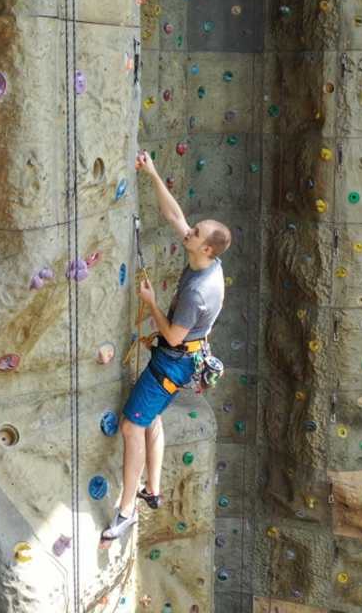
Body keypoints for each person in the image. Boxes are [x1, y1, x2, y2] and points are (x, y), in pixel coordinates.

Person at [101, 150, 231, 542]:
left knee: (132, 425)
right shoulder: (208, 261)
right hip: (183, 359)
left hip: (173, 361)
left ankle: (126, 511)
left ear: (206, 249)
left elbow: (174, 336)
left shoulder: (198, 292)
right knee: (152, 416)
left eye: (196, 234)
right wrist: (153, 173)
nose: (188, 232)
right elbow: (175, 216)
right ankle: (153, 489)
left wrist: (151, 302)